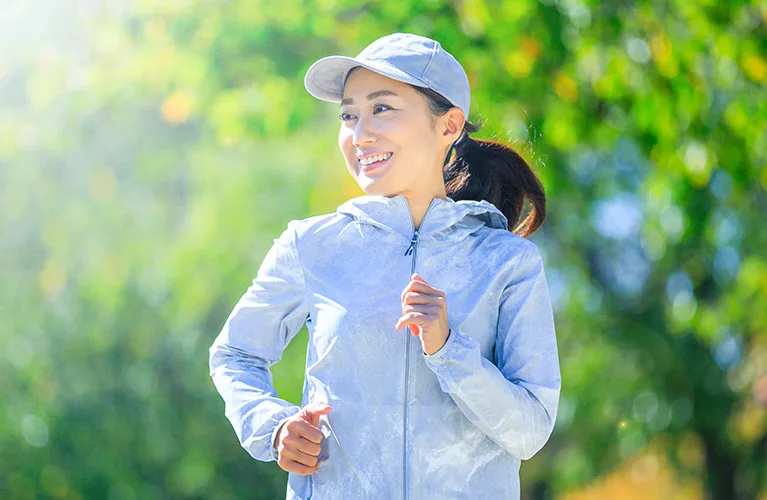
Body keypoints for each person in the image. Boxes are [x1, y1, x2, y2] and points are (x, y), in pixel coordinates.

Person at [208, 32, 561, 500]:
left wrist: (449, 348)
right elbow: (234, 355)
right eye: (349, 115)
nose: (360, 133)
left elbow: (529, 430)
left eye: (383, 108)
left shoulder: (506, 262)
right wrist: (273, 427)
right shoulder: (311, 246)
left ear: (449, 125)